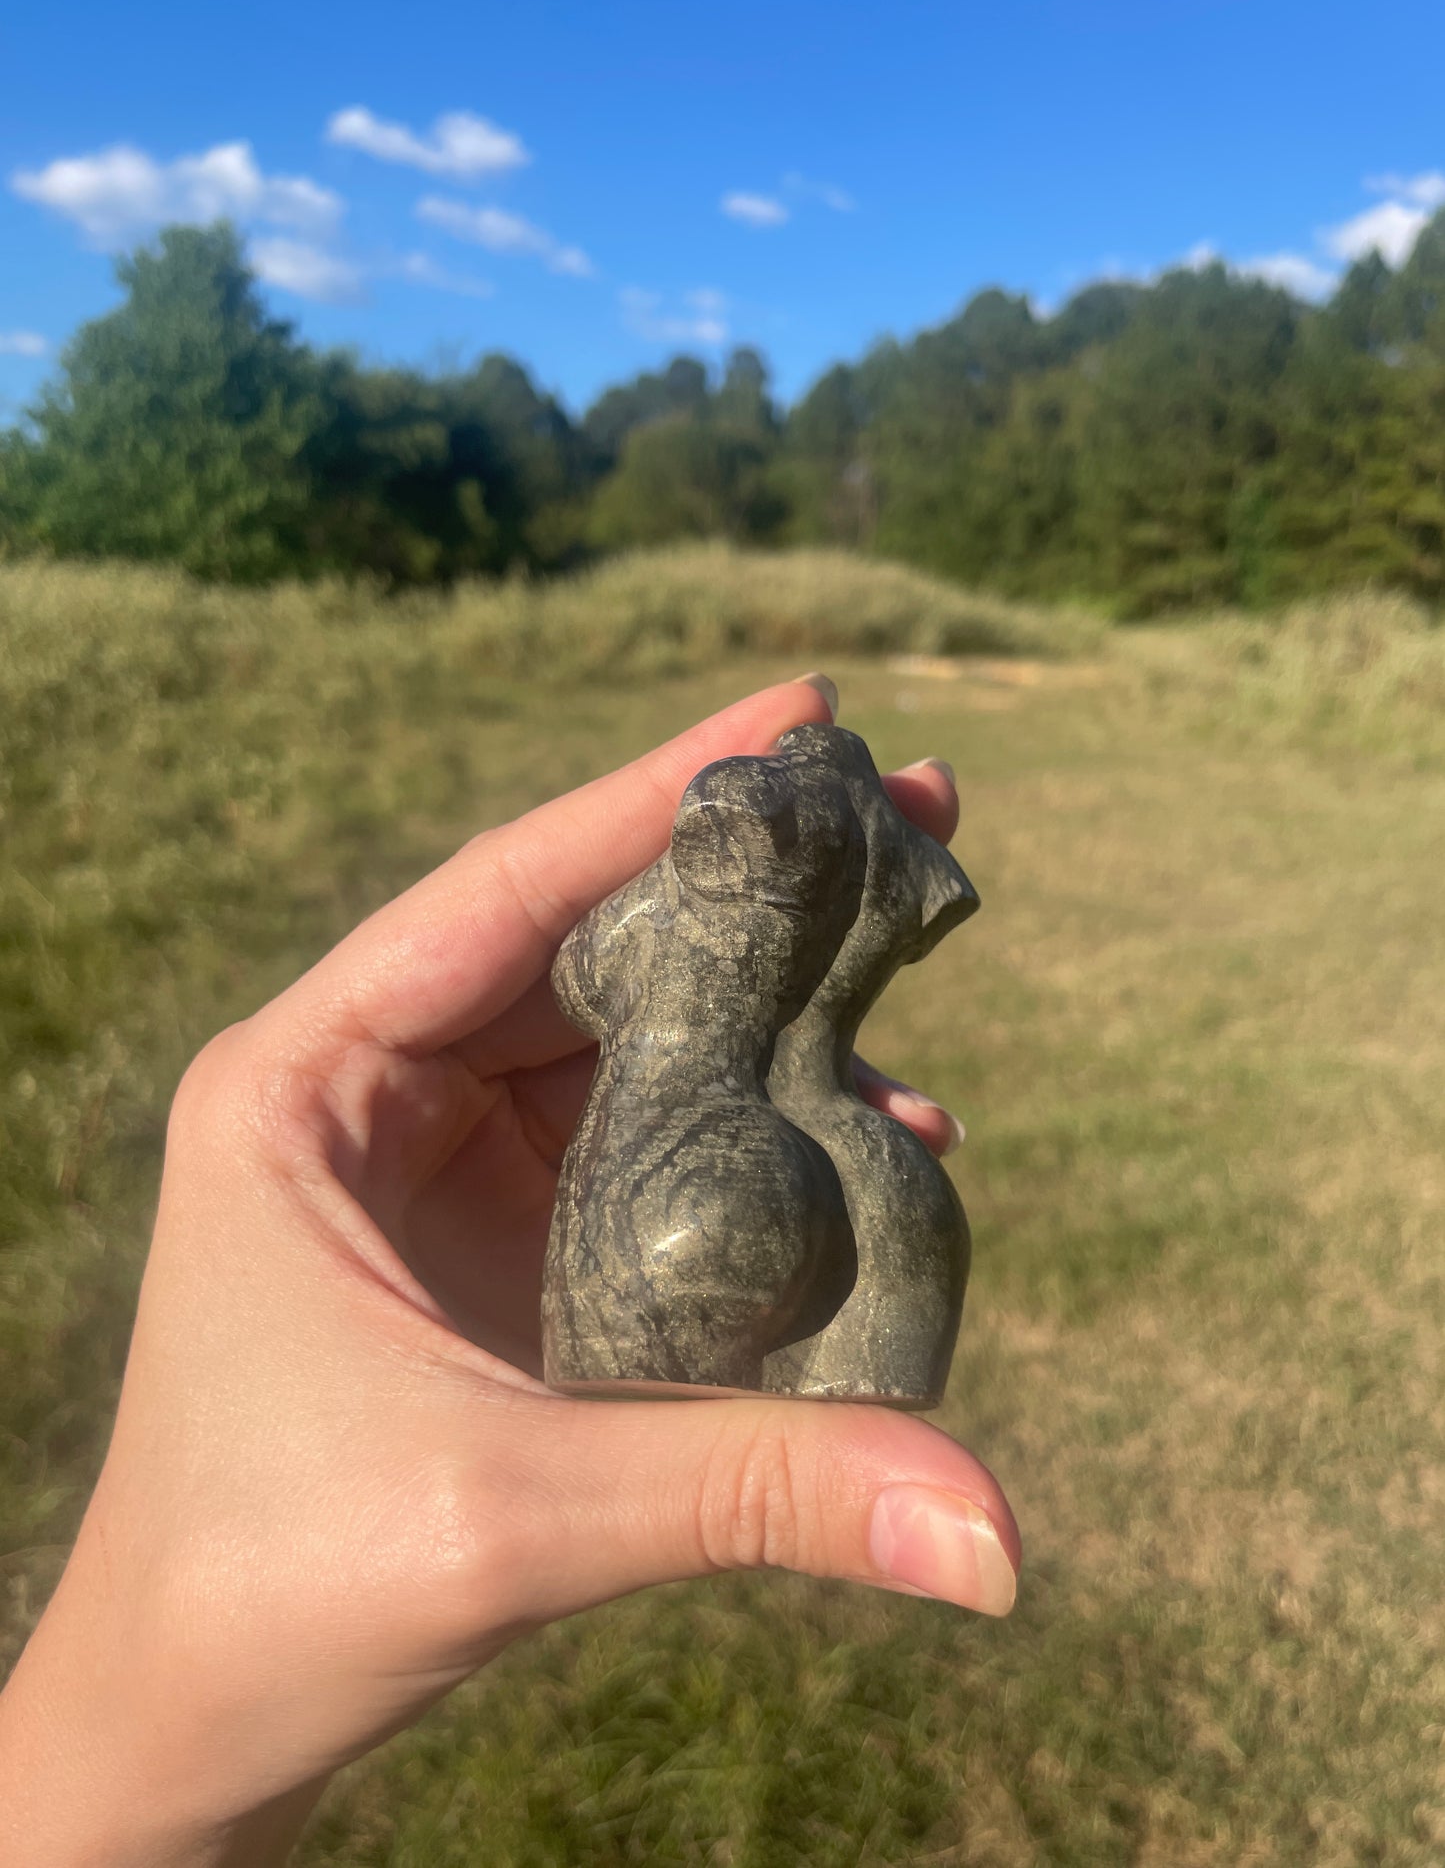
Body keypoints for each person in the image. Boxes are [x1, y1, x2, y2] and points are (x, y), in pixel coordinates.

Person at [0, 675, 1021, 1868]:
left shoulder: (733, 808)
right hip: (873, 1168)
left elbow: (586, 977)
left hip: (687, 1155)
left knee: (649, 1349)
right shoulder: (898, 847)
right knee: (862, 1347)